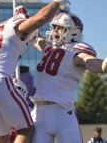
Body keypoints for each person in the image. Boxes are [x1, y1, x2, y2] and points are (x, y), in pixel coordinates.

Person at [0, 0, 70, 143]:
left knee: (0, 137)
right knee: (26, 130)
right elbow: (41, 18)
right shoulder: (15, 27)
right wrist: (56, 3)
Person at [30, 8, 107, 143]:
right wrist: (22, 18)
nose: (55, 31)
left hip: (63, 113)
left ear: (73, 32)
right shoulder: (48, 48)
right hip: (39, 113)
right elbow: (31, 34)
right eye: (54, 27)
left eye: (60, 28)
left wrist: (104, 64)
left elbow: (95, 64)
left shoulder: (76, 51)